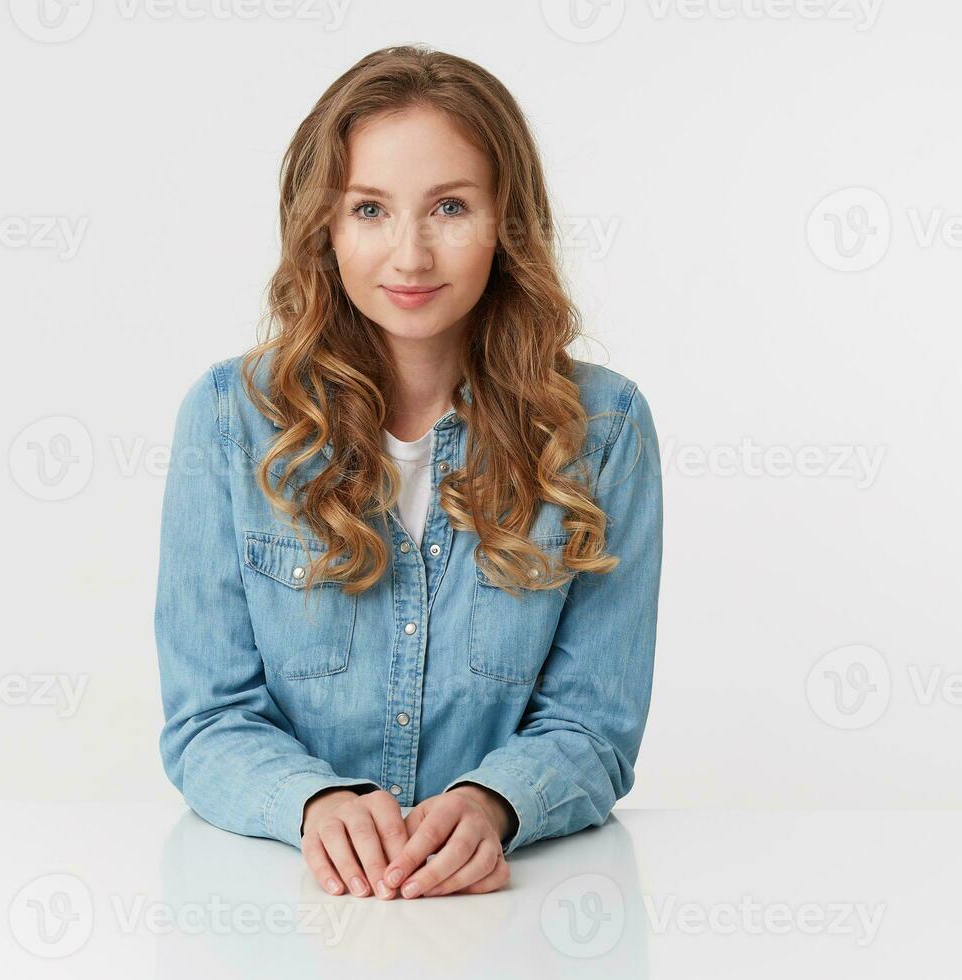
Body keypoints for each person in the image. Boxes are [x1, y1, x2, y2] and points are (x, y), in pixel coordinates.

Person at [155, 44, 662, 902]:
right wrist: (315, 801)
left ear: (508, 222)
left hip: (512, 916)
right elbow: (208, 719)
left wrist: (496, 803)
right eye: (370, 210)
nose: (411, 256)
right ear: (325, 224)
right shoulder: (228, 417)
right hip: (285, 912)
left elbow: (594, 724)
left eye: (451, 207)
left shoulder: (603, 430)